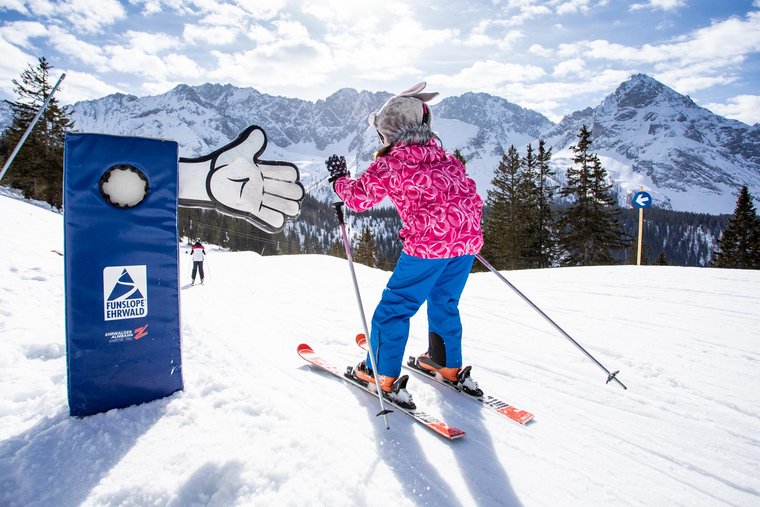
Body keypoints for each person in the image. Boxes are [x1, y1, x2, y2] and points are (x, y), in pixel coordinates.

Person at [325, 82, 484, 409]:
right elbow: (465, 193)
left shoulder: (391, 162)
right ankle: (447, 363)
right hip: (466, 241)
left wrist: (339, 179)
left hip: (429, 246)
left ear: (391, 132)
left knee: (395, 307)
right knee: (445, 300)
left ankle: (379, 374)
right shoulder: (445, 157)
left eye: (381, 134)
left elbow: (359, 199)